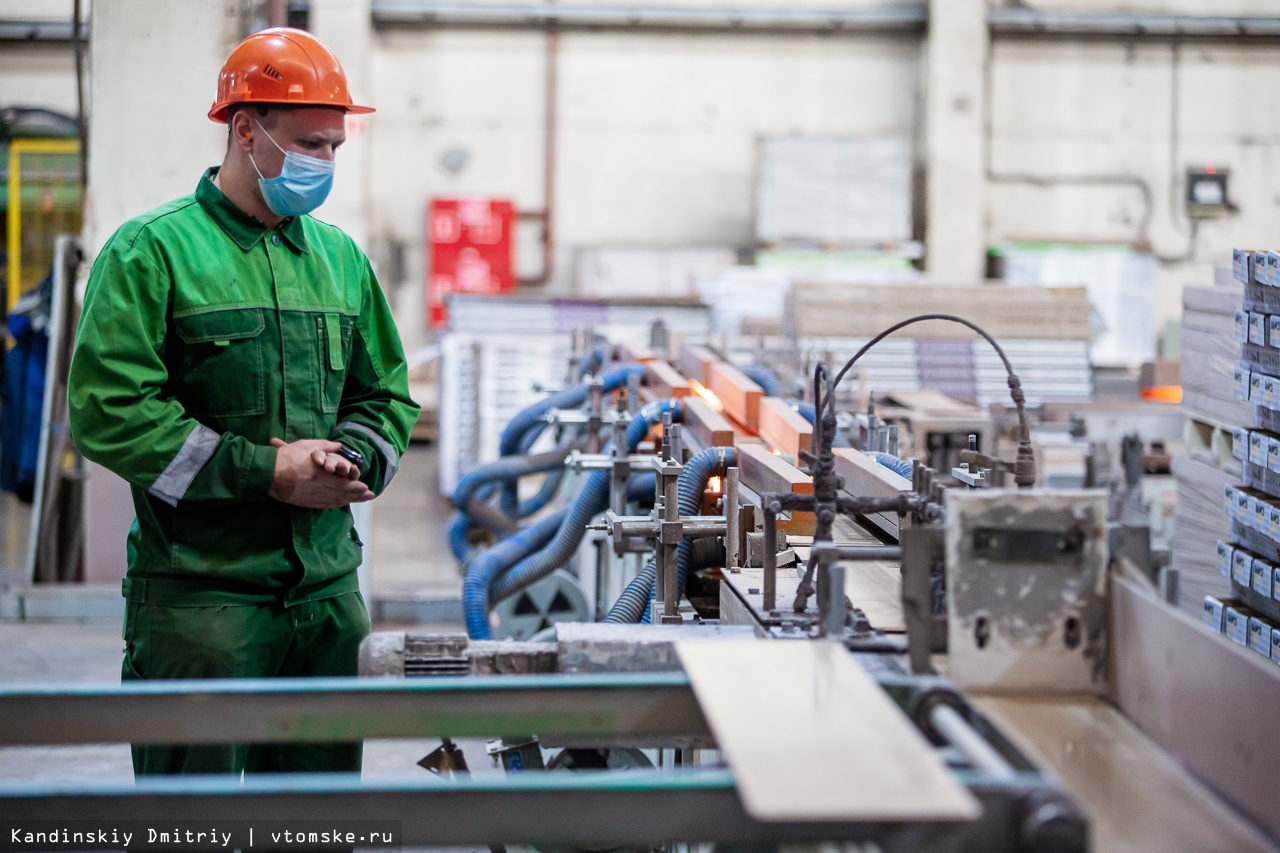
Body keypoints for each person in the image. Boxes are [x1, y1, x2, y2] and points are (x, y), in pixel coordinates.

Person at [67, 27, 419, 776]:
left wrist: (347, 458)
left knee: (315, 821)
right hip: (202, 601)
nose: (324, 163)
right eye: (308, 144)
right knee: (195, 822)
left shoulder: (340, 260)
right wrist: (266, 471)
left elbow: (385, 394)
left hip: (326, 598)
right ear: (245, 129)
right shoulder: (150, 252)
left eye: (334, 147)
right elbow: (109, 412)